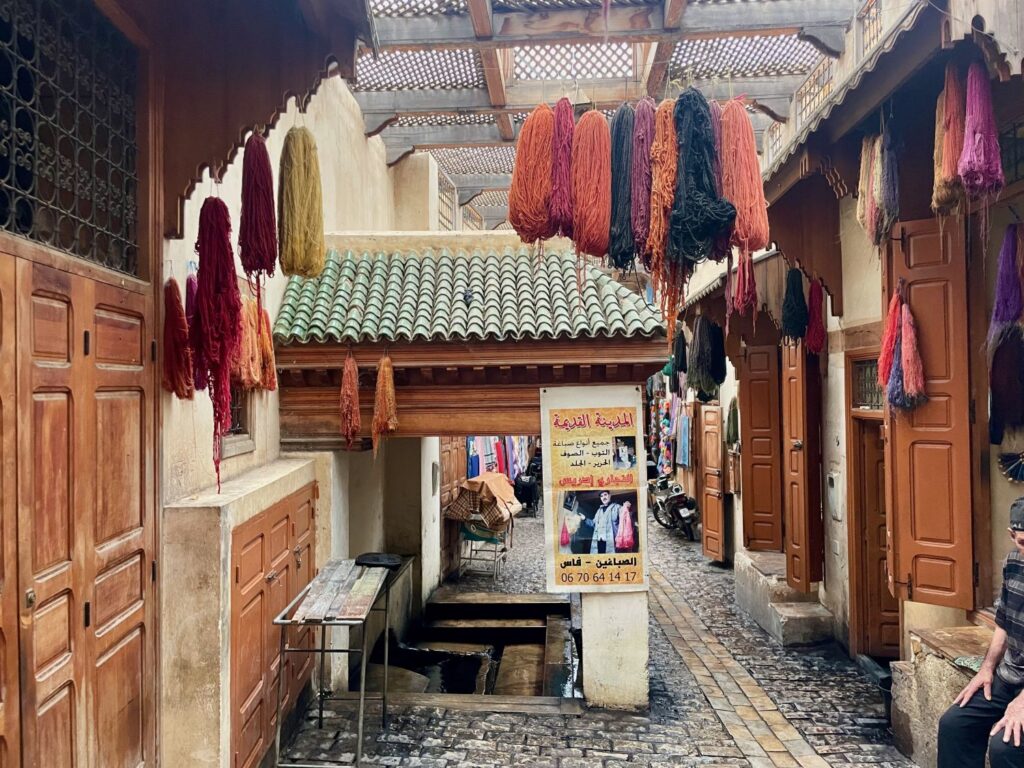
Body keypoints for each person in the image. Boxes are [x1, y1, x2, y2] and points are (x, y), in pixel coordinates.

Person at [938, 497, 1024, 767]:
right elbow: (1002, 622)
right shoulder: (1013, 563)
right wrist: (987, 668)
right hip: (1009, 677)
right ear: (1012, 535)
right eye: (1022, 542)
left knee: (1006, 747)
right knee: (954, 725)